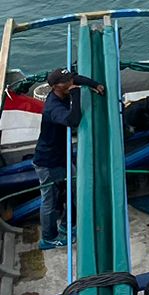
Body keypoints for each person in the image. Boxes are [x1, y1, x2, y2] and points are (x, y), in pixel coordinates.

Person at [34, 68, 105, 251]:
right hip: (48, 162)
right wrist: (76, 93)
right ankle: (48, 238)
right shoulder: (53, 108)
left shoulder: (63, 87)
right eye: (68, 81)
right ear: (57, 86)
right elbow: (73, 120)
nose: (72, 82)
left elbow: (77, 78)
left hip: (61, 156)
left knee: (75, 188)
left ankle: (67, 224)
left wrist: (94, 84)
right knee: (49, 201)